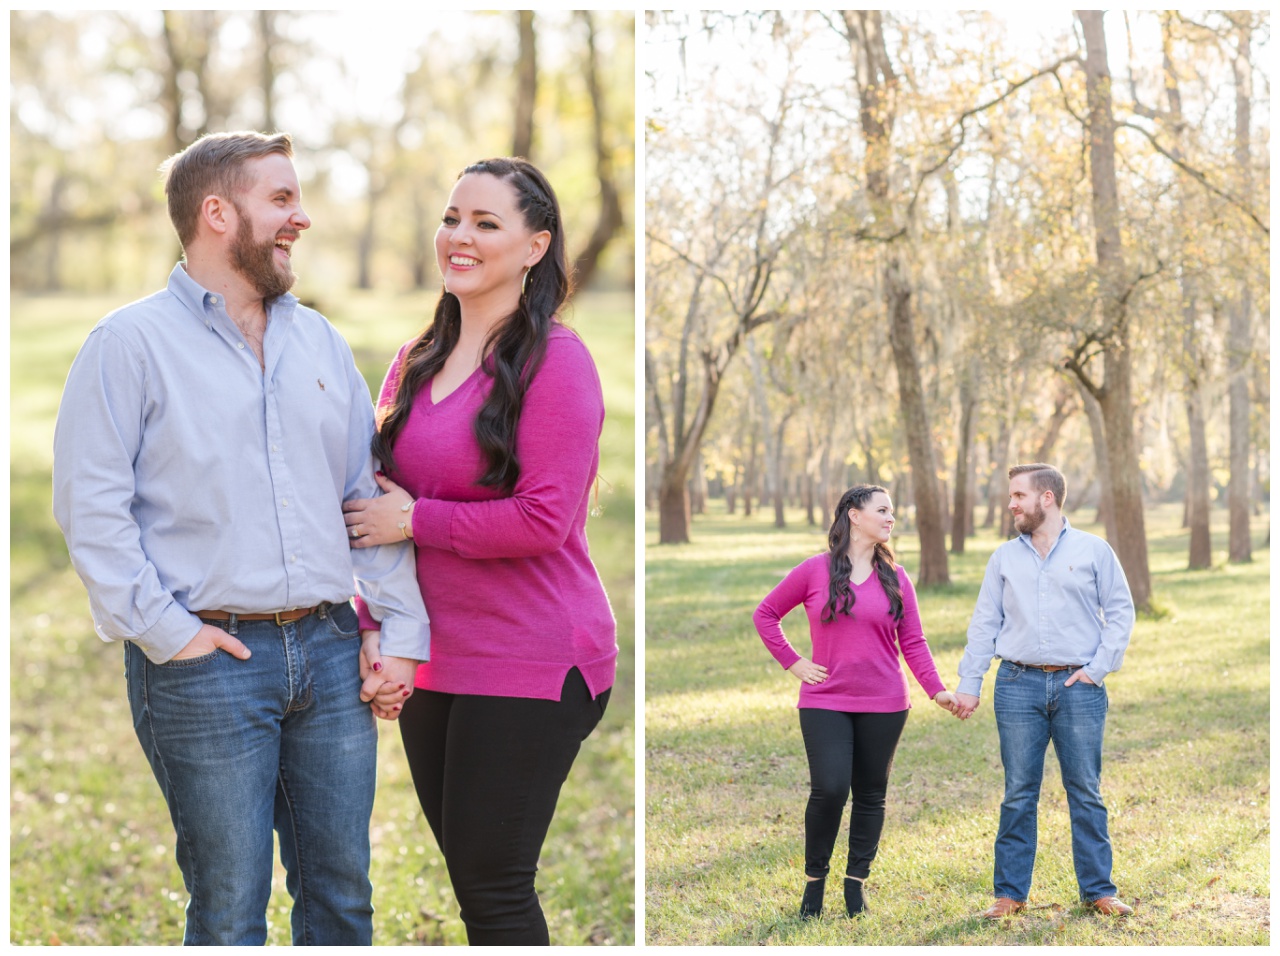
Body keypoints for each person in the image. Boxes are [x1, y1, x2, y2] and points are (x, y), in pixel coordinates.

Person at [51, 130, 430, 946]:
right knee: (228, 911)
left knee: (342, 897)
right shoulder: (129, 344)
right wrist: (169, 634)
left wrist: (400, 631)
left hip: (330, 656)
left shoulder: (321, 341)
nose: (302, 218)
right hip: (207, 665)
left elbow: (364, 499)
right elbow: (91, 508)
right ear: (217, 213)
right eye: (282, 199)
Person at [339, 157, 617, 945]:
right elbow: (372, 513)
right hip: (436, 657)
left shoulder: (556, 361)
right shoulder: (412, 359)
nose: (459, 236)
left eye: (486, 223)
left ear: (535, 246)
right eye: (452, 217)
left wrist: (418, 521)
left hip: (535, 656)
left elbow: (545, 519)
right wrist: (376, 627)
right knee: (473, 882)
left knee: (494, 890)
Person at [752, 485, 958, 920]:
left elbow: (914, 642)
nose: (891, 519)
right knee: (829, 789)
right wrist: (793, 662)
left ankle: (855, 885)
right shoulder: (814, 570)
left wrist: (936, 689)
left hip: (886, 701)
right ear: (853, 514)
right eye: (882, 510)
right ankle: (814, 884)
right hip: (824, 699)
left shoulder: (897, 578)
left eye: (893, 512)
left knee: (870, 793)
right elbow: (765, 614)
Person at [953, 463, 1135, 919]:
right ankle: (1009, 895)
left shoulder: (1094, 551)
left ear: (1047, 498)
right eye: (1011, 496)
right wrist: (969, 684)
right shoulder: (1003, 558)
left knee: (1085, 791)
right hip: (1017, 684)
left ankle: (1099, 891)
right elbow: (984, 626)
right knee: (1018, 792)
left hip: (1079, 687)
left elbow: (1121, 612)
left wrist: (1097, 670)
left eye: (1018, 495)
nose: (1011, 504)